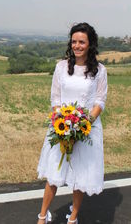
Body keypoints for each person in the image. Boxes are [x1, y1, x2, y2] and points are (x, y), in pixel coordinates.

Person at [37, 23, 108, 224]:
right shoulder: (61, 67)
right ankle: (42, 216)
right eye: (74, 41)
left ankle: (73, 217)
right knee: (54, 173)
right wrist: (64, 126)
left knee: (80, 175)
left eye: (82, 42)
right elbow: (55, 99)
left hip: (87, 130)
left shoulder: (100, 71)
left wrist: (82, 127)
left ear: (90, 44)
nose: (77, 45)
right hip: (60, 127)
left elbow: (99, 101)